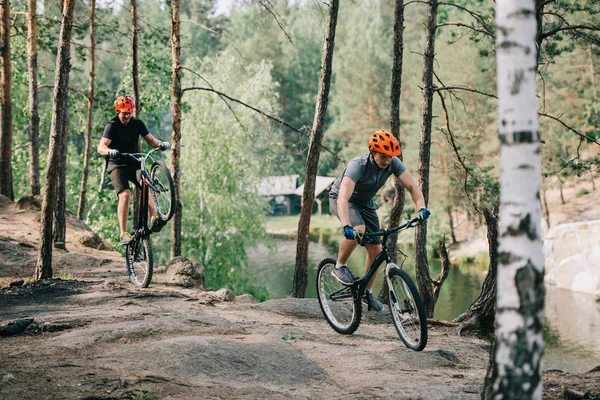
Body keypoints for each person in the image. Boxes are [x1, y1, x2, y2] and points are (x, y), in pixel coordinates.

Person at [329, 130, 430, 312]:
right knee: (358, 228)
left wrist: (421, 207)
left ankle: (367, 293)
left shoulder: (393, 163)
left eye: (390, 157)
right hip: (343, 199)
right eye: (383, 156)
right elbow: (343, 198)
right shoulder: (357, 165)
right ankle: (339, 266)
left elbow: (412, 187)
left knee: (376, 249)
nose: (387, 161)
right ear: (372, 152)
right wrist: (346, 226)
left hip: (365, 204)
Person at [97, 95, 171, 245]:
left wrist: (161, 144)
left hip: (133, 162)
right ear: (118, 111)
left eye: (129, 113)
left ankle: (154, 217)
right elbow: (101, 147)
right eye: (124, 113)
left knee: (146, 183)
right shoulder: (112, 125)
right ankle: (123, 233)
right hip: (116, 165)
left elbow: (150, 140)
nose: (127, 116)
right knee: (125, 195)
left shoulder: (137, 123)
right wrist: (110, 151)